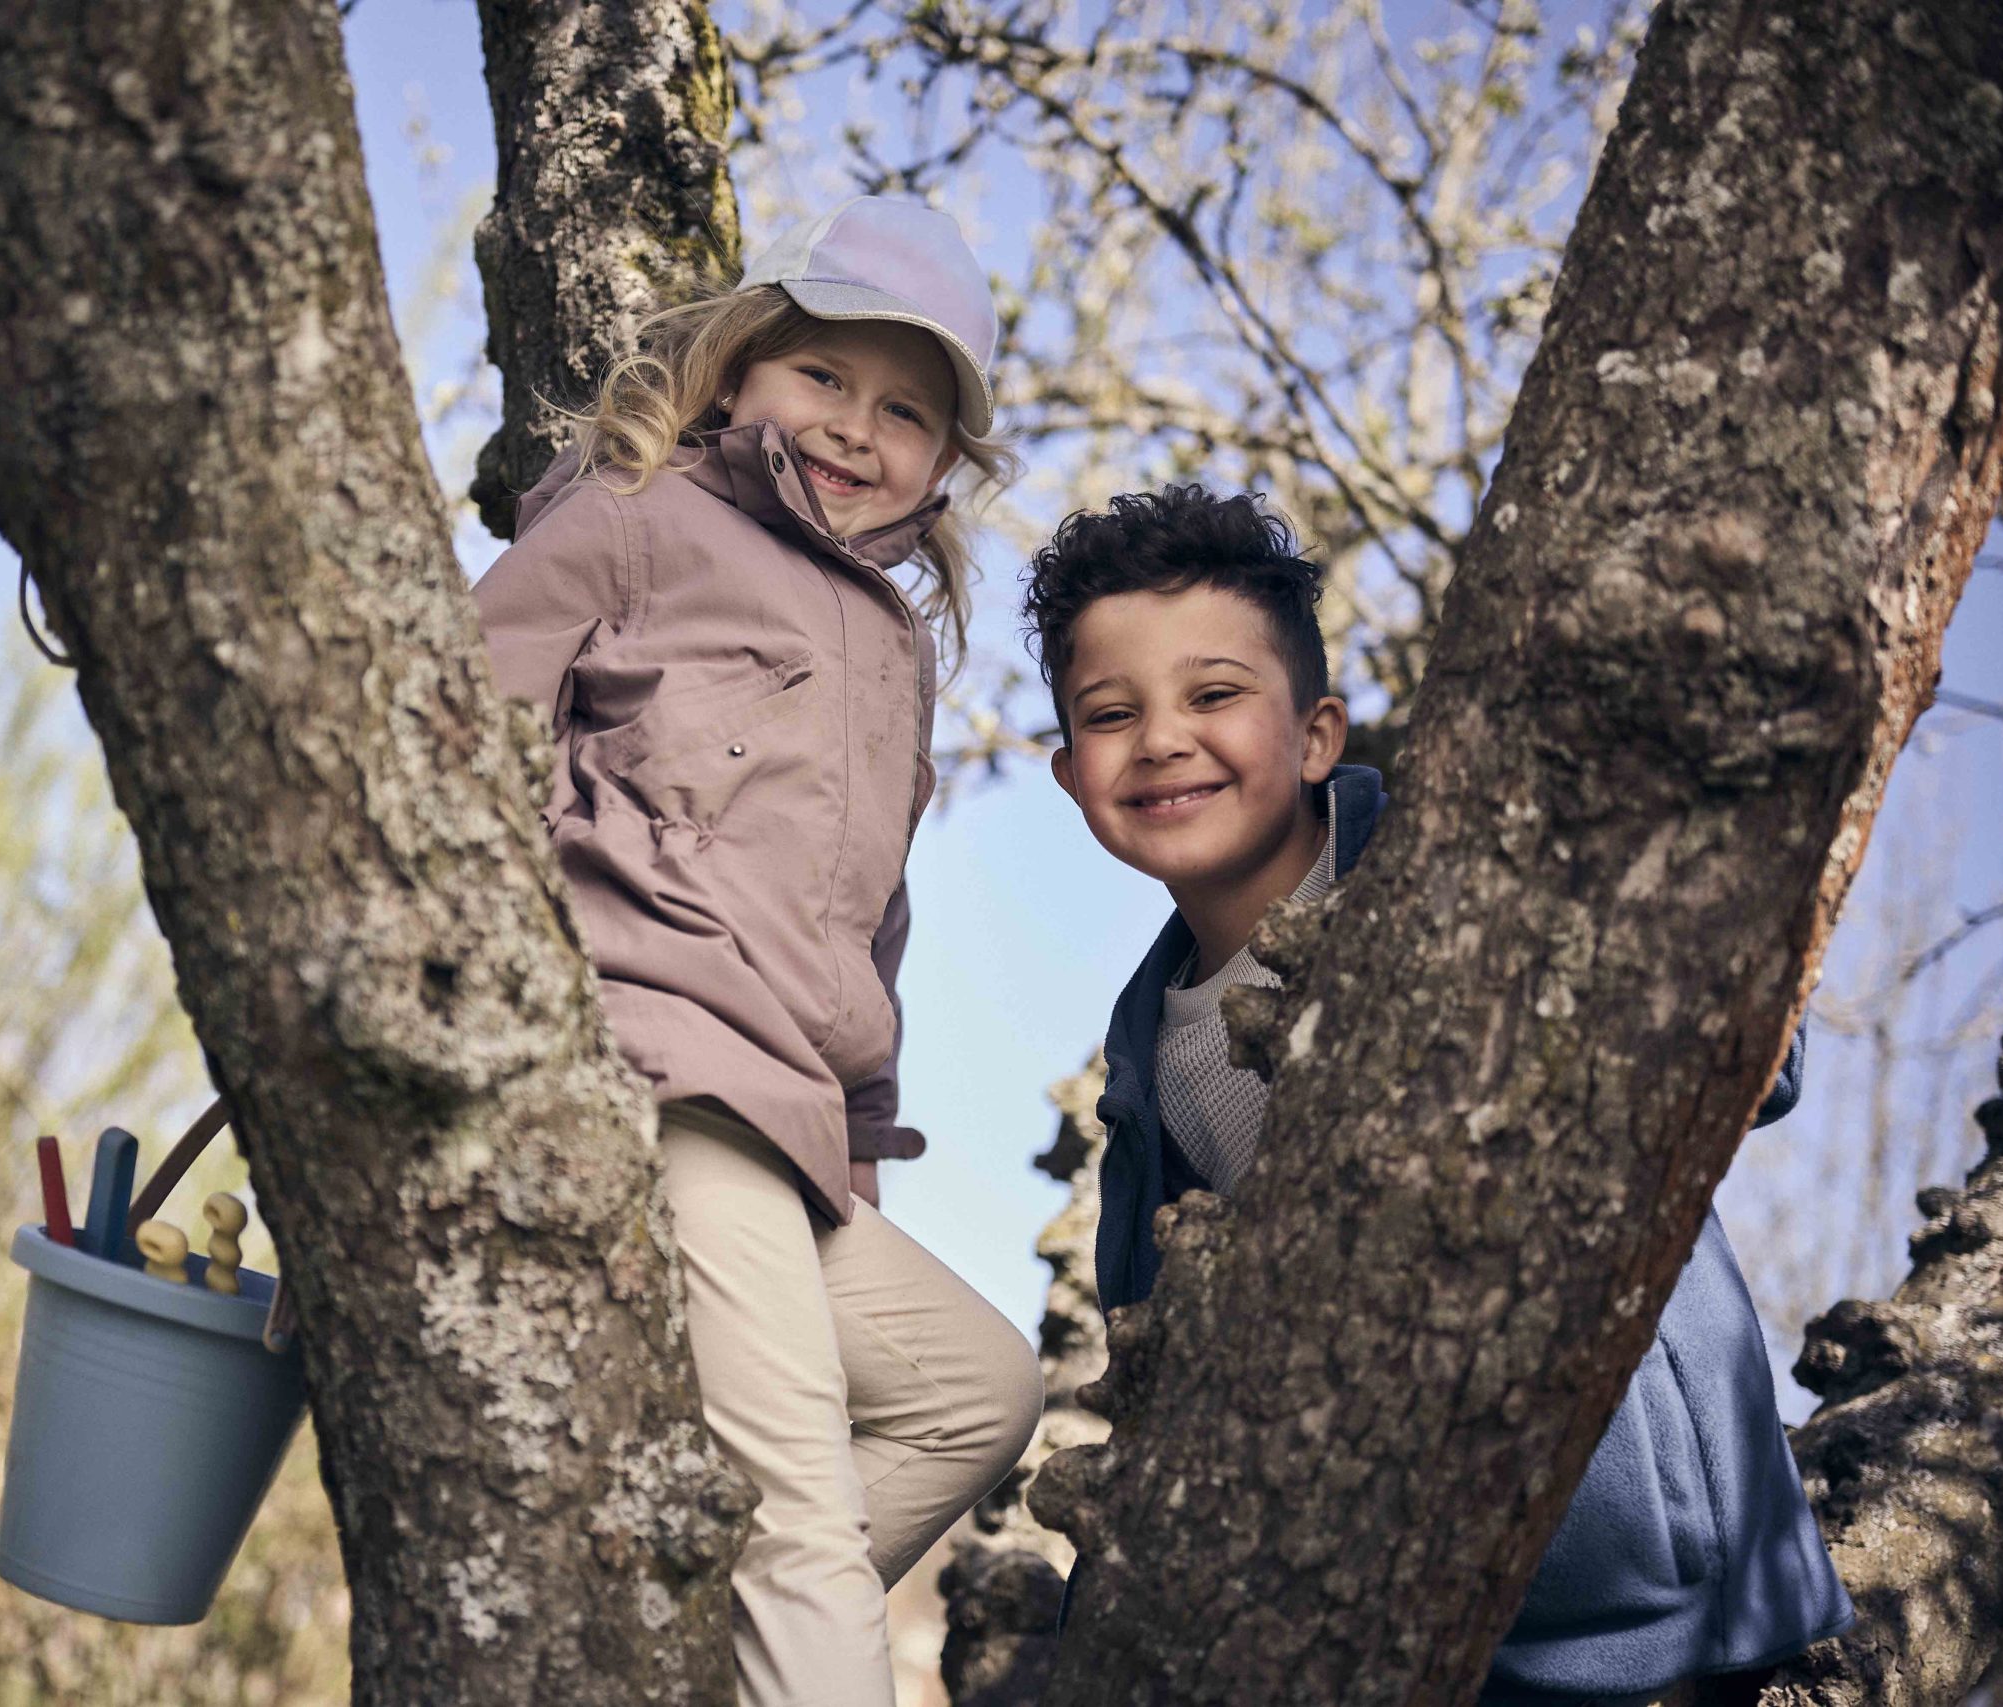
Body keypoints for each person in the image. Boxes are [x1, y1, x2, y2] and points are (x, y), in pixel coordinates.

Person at [1020, 486, 1852, 1706]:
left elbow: (1746, 1052)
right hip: (1407, 1620)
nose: (1159, 739)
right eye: (1110, 713)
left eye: (1212, 694)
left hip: (1658, 1592)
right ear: (1067, 773)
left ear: (1316, 736)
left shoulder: (1454, 873)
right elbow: (1178, 1374)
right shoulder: (1148, 1056)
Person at [472, 196, 1044, 1706]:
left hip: (785, 1118)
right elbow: (459, 730)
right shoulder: (637, 517)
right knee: (797, 1513)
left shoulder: (895, 650)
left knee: (978, 1391)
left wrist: (857, 1142)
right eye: (824, 377)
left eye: (906, 411)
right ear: (739, 372)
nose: (858, 426)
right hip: (654, 1060)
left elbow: (867, 921)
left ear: (945, 461)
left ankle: (693, 1661)